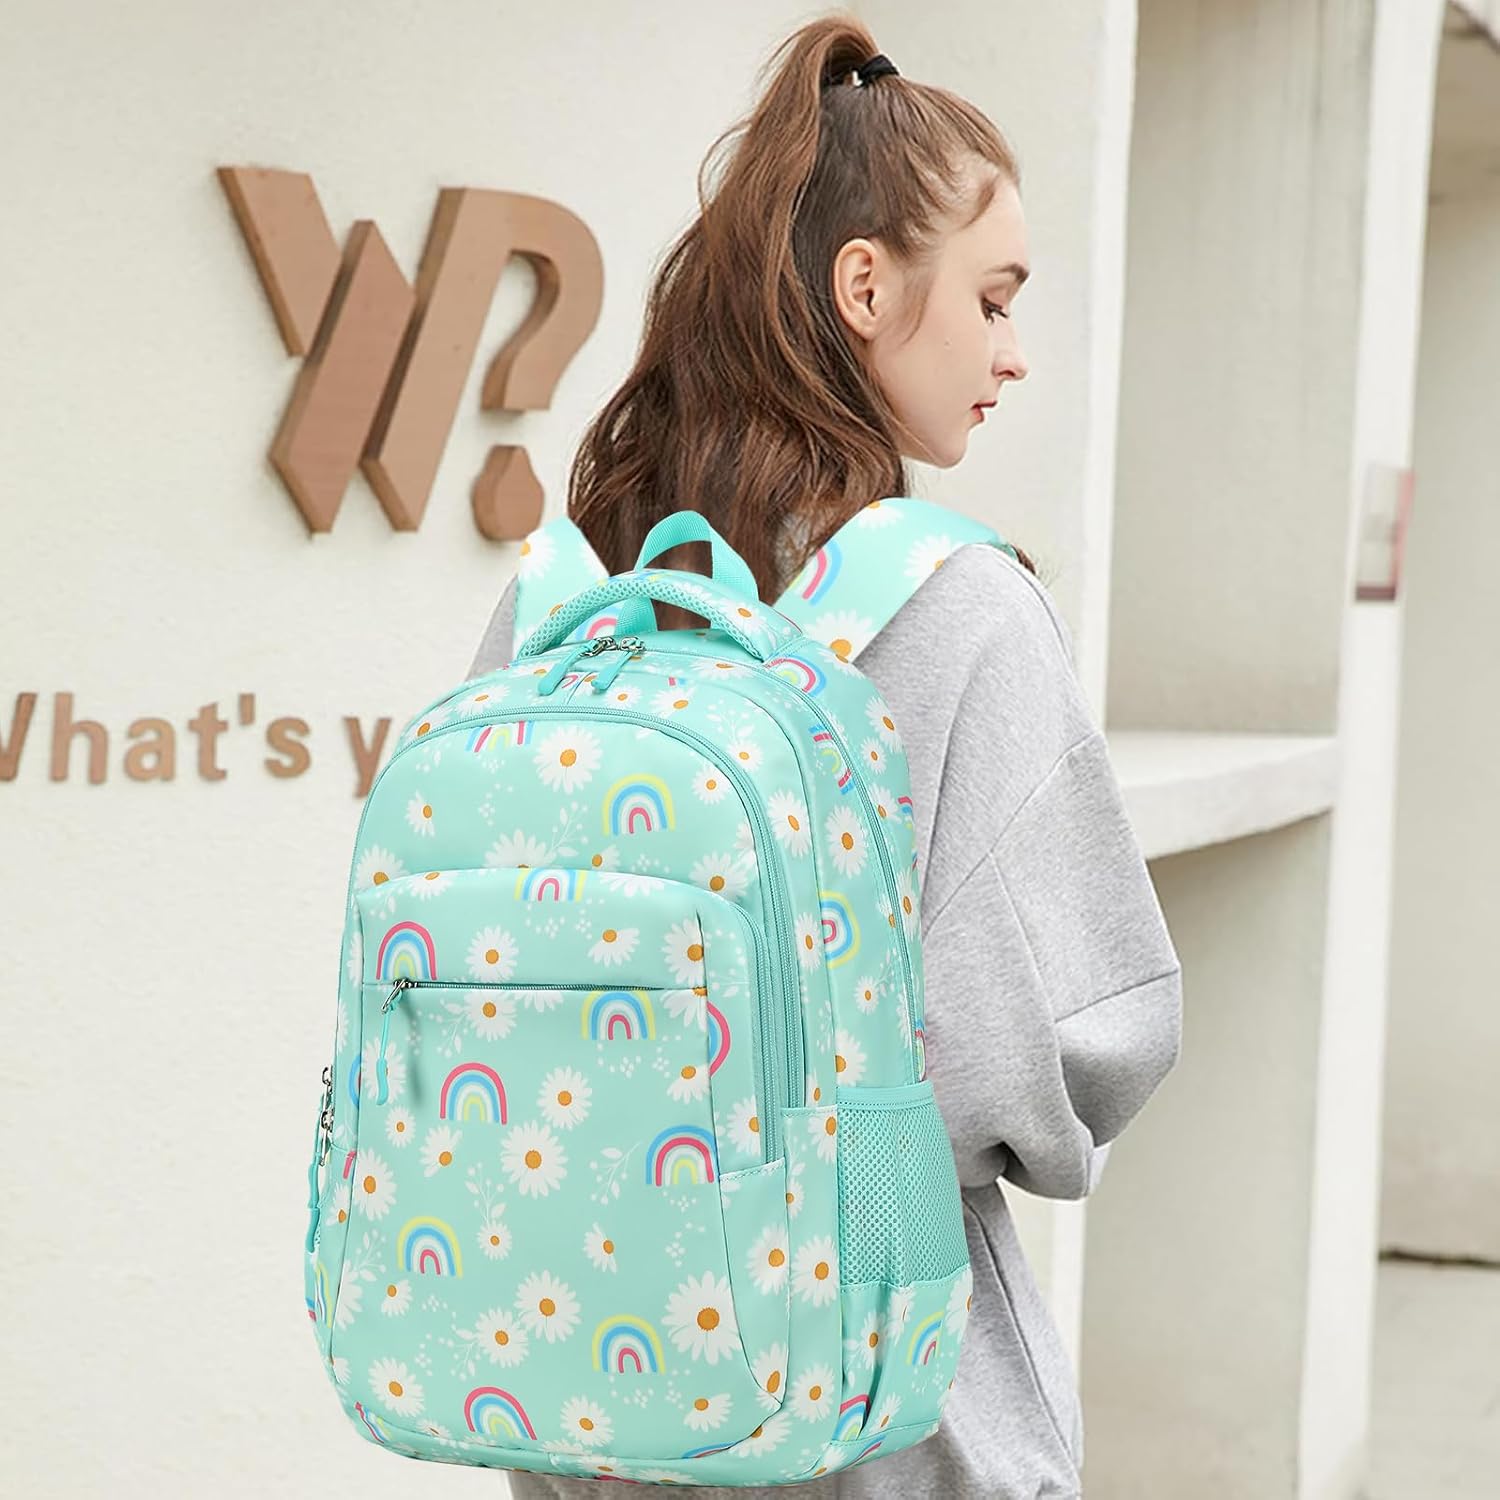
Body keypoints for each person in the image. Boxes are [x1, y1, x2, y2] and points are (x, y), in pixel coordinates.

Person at [466, 14, 1182, 1497]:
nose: (1012, 353)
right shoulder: (960, 608)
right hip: (870, 1393)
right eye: (992, 298)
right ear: (866, 286)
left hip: (582, 1371)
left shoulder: (566, 604)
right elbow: (1077, 1036)